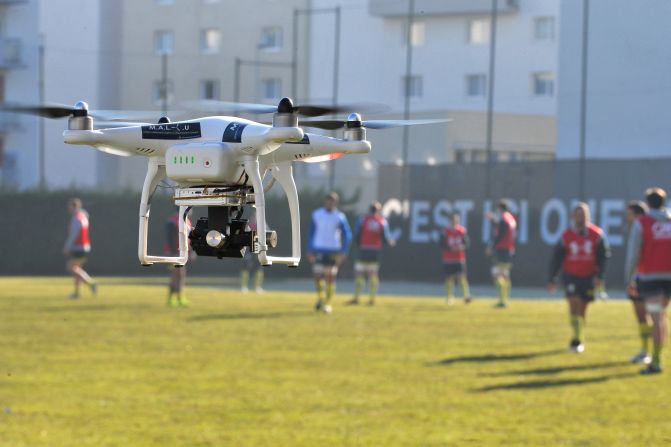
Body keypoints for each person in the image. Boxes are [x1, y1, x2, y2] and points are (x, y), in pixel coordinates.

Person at [548, 202, 610, 353]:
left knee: (582, 308)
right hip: (571, 275)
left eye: (583, 214)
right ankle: (575, 339)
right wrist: (552, 278)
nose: (581, 217)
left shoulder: (596, 234)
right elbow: (557, 257)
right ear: (572, 216)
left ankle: (579, 336)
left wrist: (600, 276)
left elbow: (603, 256)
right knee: (573, 303)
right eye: (578, 214)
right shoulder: (566, 236)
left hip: (588, 276)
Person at [625, 187, 671, 374]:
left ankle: (656, 362)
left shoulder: (642, 223)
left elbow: (633, 254)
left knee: (657, 318)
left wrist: (629, 279)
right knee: (662, 318)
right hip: (669, 277)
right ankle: (658, 357)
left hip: (650, 277)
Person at [307, 192, 352, 314]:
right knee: (317, 277)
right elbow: (311, 233)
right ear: (325, 201)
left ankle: (327, 304)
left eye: (332, 201)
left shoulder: (339, 216)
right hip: (318, 250)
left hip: (333, 251)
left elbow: (347, 235)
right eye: (328, 201)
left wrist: (343, 252)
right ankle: (321, 298)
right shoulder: (317, 214)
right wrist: (309, 250)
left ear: (336, 203)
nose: (330, 203)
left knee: (330, 277)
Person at [346, 201, 395, 306]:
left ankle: (356, 298)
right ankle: (372, 299)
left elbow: (357, 234)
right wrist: (390, 242)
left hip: (363, 249)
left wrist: (359, 243)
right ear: (378, 210)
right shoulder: (382, 221)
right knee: (373, 274)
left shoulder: (363, 220)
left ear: (369, 209)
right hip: (375, 251)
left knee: (359, 274)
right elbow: (386, 237)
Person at [624, 200, 652, 365]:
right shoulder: (654, 226)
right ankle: (650, 352)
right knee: (653, 316)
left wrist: (630, 279)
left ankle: (646, 351)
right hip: (655, 277)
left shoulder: (640, 227)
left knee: (644, 316)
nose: (627, 217)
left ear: (636, 214)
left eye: (629, 213)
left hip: (641, 277)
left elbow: (634, 257)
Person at [63, 198, 97, 299]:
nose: (68, 209)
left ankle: (91, 283)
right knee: (77, 270)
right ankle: (77, 294)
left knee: (71, 268)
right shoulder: (83, 216)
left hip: (78, 247)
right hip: (84, 247)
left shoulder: (76, 218)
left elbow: (74, 234)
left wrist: (67, 246)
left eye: (69, 206)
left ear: (74, 206)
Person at [486, 200, 517, 308]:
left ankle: (502, 300)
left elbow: (500, 234)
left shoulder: (503, 219)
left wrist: (491, 246)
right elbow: (504, 229)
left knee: (496, 274)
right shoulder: (511, 218)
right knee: (505, 274)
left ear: (500, 208)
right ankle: (506, 298)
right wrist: (492, 220)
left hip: (502, 250)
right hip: (509, 250)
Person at [442, 211, 471, 305]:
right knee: (449, 278)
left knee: (462, 277)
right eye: (453, 219)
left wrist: (462, 247)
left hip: (459, 258)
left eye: (456, 219)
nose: (455, 220)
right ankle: (449, 296)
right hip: (448, 258)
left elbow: (466, 243)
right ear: (450, 220)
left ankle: (466, 295)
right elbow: (441, 244)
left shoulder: (461, 230)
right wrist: (450, 248)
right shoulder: (445, 231)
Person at [165, 209, 193, 307]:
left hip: (182, 253)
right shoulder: (174, 220)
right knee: (179, 275)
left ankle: (172, 298)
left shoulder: (187, 220)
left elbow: (189, 238)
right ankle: (178, 298)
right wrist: (173, 252)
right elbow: (170, 237)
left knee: (177, 276)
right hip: (176, 252)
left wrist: (190, 251)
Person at [240, 213, 264, 294]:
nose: (255, 218)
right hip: (248, 249)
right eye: (254, 216)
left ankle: (257, 287)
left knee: (258, 268)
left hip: (258, 249)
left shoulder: (263, 225)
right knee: (245, 268)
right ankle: (243, 287)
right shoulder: (248, 226)